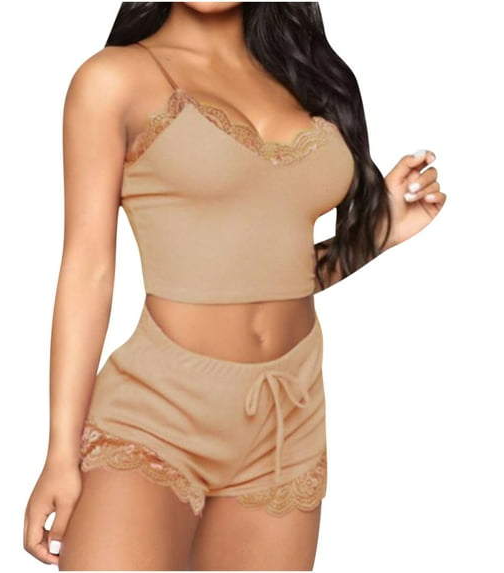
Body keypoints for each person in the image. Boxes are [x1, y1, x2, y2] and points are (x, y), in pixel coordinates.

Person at [23, 2, 446, 570]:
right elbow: (89, 271)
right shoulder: (114, 78)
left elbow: (271, 272)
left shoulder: (301, 74)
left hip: (287, 423)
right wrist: (59, 452)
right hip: (156, 414)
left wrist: (375, 234)